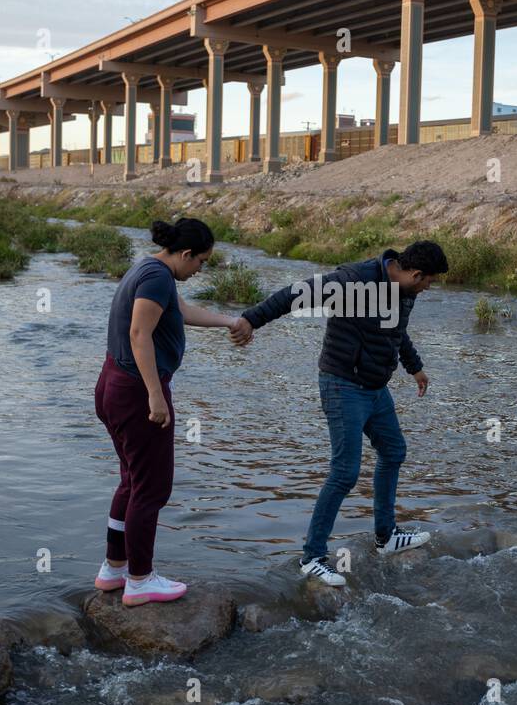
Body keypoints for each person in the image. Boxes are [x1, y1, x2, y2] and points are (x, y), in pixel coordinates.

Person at [230, 241, 449, 586]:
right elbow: (294, 294)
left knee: (394, 452)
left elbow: (396, 331)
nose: (428, 288)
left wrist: (415, 367)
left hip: (376, 388)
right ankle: (313, 557)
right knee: (345, 472)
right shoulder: (354, 280)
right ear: (416, 273)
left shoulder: (406, 291)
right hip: (343, 384)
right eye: (429, 282)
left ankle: (386, 536)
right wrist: (250, 320)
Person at [93, 217, 251, 605]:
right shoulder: (158, 277)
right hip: (135, 390)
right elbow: (138, 334)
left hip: (113, 384)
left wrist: (230, 320)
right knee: (152, 488)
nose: (200, 270)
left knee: (131, 481)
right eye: (201, 262)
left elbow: (179, 311)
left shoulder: (148, 268)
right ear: (185, 254)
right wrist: (155, 396)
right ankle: (141, 580)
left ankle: (114, 570)